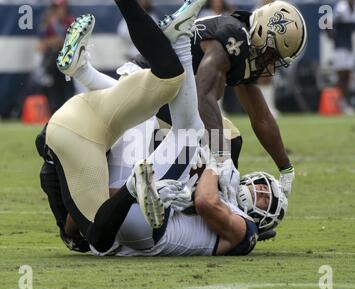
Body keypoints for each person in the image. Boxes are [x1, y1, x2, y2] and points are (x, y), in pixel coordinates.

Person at [60, 1, 307, 199]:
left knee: (214, 136)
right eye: (274, 54)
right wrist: (221, 158)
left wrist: (285, 168)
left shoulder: (242, 42)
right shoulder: (234, 37)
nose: (272, 63)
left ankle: (84, 71)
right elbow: (204, 95)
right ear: (263, 32)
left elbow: (260, 116)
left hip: (148, 83)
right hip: (155, 80)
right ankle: (208, 205)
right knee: (220, 139)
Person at [37, 0, 207, 254]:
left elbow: (85, 226)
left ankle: (178, 40)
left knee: (101, 240)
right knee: (101, 239)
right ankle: (84, 72)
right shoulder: (71, 184)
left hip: (81, 125)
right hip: (72, 119)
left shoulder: (72, 191)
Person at [37, 0, 75, 114]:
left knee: (69, 93)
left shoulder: (72, 22)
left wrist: (63, 42)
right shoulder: (50, 24)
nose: (57, 11)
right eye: (55, 9)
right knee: (54, 94)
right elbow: (40, 47)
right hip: (53, 65)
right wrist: (52, 42)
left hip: (70, 65)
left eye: (59, 8)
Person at [333, 0, 355, 115]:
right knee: (341, 76)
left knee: (347, 76)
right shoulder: (341, 8)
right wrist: (334, 37)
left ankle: (345, 103)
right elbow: (329, 24)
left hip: (350, 47)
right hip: (340, 47)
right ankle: (339, 103)